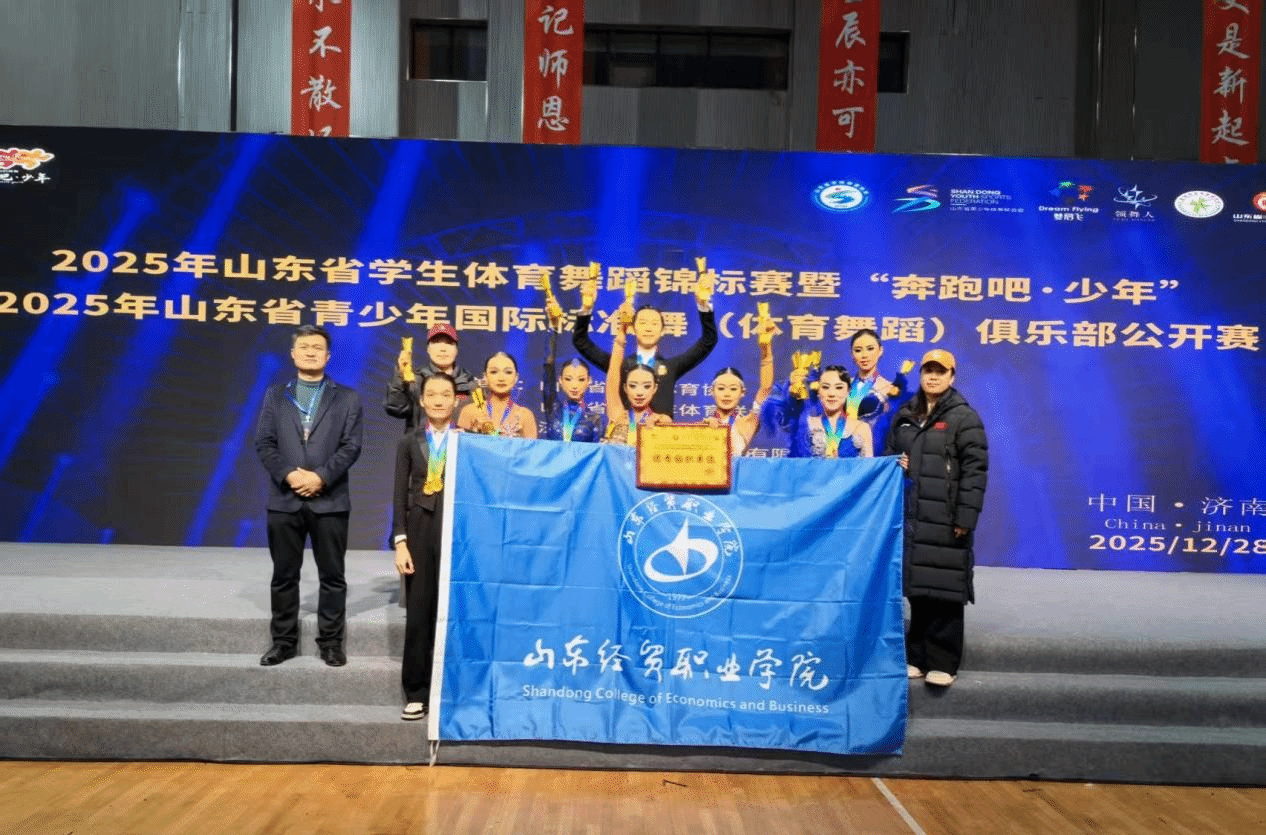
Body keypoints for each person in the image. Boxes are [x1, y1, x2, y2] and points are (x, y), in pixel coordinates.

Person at [254, 324, 363, 667]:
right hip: (284, 500)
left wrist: (320, 477)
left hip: (330, 500)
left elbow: (351, 446)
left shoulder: (347, 397)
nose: (311, 352)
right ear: (293, 353)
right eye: (304, 346)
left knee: (332, 577)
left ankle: (330, 643)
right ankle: (283, 642)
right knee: (284, 576)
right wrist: (289, 474)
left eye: (318, 347)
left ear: (328, 356)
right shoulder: (275, 395)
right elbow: (264, 443)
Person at [883, 349, 988, 689]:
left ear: (952, 376)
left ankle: (943, 661)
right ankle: (916, 656)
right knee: (917, 589)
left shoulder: (964, 418)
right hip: (912, 515)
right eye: (928, 370)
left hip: (946, 517)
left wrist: (966, 517)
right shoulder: (905, 415)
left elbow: (975, 472)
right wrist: (895, 463)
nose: (933, 376)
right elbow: (888, 454)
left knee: (945, 589)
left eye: (940, 371)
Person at [392, 372, 460, 720]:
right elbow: (398, 494)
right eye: (431, 394)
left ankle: (450, 689)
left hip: (456, 528)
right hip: (420, 527)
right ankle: (416, 691)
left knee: (454, 611)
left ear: (456, 400)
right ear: (421, 400)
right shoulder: (410, 441)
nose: (437, 400)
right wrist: (400, 541)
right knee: (419, 611)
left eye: (445, 394)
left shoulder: (466, 441)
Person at [571, 270, 717, 417]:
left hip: (660, 431)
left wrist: (703, 305)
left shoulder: (672, 367)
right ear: (633, 329)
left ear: (663, 331)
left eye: (654, 324)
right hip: (626, 430)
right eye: (642, 323)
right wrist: (587, 308)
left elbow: (708, 341)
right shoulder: (620, 365)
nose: (648, 328)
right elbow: (581, 341)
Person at [762, 361, 873, 459]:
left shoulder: (861, 428)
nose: (832, 393)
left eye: (839, 387)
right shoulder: (806, 424)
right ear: (818, 391)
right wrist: (791, 392)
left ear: (848, 391)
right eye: (825, 387)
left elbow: (870, 470)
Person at [703, 316, 775, 457]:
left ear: (742, 393)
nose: (727, 394)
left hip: (738, 471)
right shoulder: (703, 424)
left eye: (733, 389)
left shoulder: (747, 423)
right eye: (721, 388)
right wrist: (703, 430)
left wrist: (766, 349)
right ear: (712, 391)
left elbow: (766, 388)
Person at [384, 324, 477, 432]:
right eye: (436, 342)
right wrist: (400, 376)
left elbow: (483, 418)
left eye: (449, 343)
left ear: (456, 350)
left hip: (461, 442)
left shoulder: (472, 385)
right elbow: (395, 408)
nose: (443, 349)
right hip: (421, 442)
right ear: (428, 349)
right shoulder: (414, 380)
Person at [603, 309, 673, 445]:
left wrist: (665, 424)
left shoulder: (660, 420)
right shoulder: (617, 414)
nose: (639, 392)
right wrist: (623, 328)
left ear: (654, 388)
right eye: (633, 386)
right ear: (625, 388)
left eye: (646, 386)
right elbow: (613, 373)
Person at [848, 328, 911, 446]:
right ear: (852, 354)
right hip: (845, 449)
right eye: (858, 350)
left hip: (877, 450)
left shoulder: (890, 389)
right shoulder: (843, 386)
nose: (864, 355)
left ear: (880, 351)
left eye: (870, 349)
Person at [456, 351, 538, 438]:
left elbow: (532, 447)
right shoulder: (469, 411)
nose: (501, 378)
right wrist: (474, 431)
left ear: (516, 377)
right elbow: (460, 445)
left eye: (508, 372)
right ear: (485, 377)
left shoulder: (525, 415)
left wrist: (520, 439)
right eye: (494, 372)